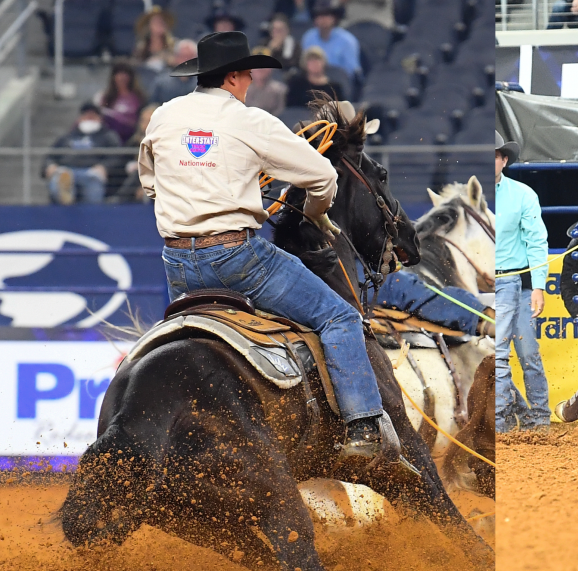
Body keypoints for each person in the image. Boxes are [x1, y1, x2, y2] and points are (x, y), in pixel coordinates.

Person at [138, 31, 391, 464]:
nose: (251, 82)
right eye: (249, 75)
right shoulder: (250, 120)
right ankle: (363, 424)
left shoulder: (163, 116)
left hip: (177, 264)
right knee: (338, 317)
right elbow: (323, 178)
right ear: (235, 77)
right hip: (238, 259)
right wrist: (315, 211)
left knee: (173, 343)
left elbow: (149, 182)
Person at [495, 131, 550, 433]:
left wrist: (538, 287)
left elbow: (536, 243)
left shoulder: (523, 195)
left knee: (525, 353)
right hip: (492, 283)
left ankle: (537, 417)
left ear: (503, 160)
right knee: (499, 356)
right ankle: (507, 420)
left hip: (514, 281)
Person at [44, 104, 122, 205]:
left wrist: (105, 167)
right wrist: (50, 166)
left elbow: (117, 156)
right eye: (86, 116)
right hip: (66, 170)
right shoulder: (67, 137)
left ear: (100, 118)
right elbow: (50, 156)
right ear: (80, 118)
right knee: (59, 179)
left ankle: (91, 215)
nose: (89, 119)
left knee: (93, 184)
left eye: (92, 117)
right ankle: (65, 200)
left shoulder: (108, 137)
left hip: (91, 172)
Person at [300, 5, 362, 78]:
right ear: (315, 19)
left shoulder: (347, 40)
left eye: (327, 15)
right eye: (320, 16)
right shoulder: (309, 37)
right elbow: (304, 64)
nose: (323, 19)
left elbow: (352, 70)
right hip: (313, 80)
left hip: (340, 81)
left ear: (334, 19)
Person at [94, 62, 146, 143]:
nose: (122, 77)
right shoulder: (104, 97)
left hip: (132, 136)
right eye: (118, 74)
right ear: (113, 77)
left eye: (125, 74)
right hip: (111, 138)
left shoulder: (140, 97)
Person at [148, 40, 199, 104]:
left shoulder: (203, 82)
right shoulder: (162, 81)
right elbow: (153, 105)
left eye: (189, 56)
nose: (186, 61)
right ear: (176, 57)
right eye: (182, 56)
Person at [133, 6, 175, 72]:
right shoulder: (141, 47)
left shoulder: (173, 45)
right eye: (156, 22)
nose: (160, 24)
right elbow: (137, 65)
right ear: (149, 25)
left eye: (162, 22)